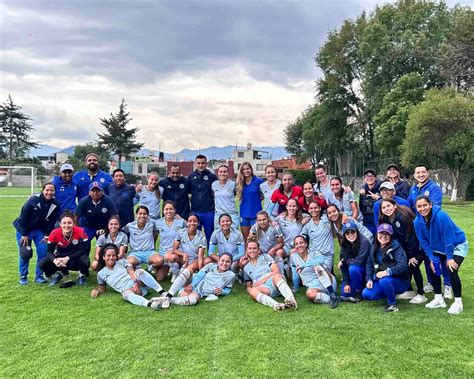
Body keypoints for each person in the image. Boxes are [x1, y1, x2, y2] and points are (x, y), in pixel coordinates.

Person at [414, 196, 468, 315]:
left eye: (425, 205)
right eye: (419, 206)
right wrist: (431, 258)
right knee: (432, 266)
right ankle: (438, 299)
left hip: (457, 244)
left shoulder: (441, 216)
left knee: (451, 269)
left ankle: (458, 302)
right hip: (438, 248)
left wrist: (449, 258)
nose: (423, 208)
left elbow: (449, 238)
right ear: (416, 208)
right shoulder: (417, 222)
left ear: (431, 205)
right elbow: (423, 241)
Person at [408, 165, 448, 296]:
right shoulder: (413, 188)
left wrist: (420, 216)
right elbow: (409, 205)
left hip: (432, 226)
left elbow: (435, 206)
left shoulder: (434, 188)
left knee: (440, 255)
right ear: (414, 175)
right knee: (426, 254)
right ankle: (431, 282)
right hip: (420, 225)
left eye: (423, 172)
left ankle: (447, 284)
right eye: (418, 173)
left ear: (427, 173)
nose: (420, 174)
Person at [91, 243, 168, 310]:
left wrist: (136, 283)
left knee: (139, 271)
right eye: (108, 255)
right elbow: (102, 288)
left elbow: (131, 272)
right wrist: (96, 291)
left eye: (113, 255)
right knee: (125, 295)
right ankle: (151, 304)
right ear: (103, 257)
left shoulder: (122, 261)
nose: (111, 257)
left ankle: (163, 293)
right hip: (129, 291)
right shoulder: (101, 274)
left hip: (138, 283)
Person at [379, 199, 426, 304]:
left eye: (388, 206)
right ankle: (409, 290)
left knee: (413, 265)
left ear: (395, 206)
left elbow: (411, 237)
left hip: (418, 246)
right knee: (405, 265)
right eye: (384, 207)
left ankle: (421, 294)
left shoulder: (403, 217)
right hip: (406, 248)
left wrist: (411, 255)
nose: (387, 209)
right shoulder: (386, 220)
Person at [13, 182, 60, 285]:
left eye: (52, 190)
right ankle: (23, 276)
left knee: (43, 252)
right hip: (24, 229)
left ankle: (39, 276)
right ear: (42, 190)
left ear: (55, 192)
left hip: (38, 230)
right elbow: (23, 217)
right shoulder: (33, 200)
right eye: (47, 190)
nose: (49, 192)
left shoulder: (56, 204)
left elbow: (52, 222)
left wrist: (47, 235)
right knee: (25, 253)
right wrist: (25, 234)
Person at [362, 224, 410, 312]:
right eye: (381, 233)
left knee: (385, 280)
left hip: (399, 281)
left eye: (387, 234)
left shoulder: (397, 247)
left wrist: (388, 272)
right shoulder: (373, 248)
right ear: (377, 234)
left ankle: (393, 305)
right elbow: (369, 264)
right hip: (380, 280)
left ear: (391, 236)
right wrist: (369, 279)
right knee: (367, 294)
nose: (383, 236)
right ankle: (390, 293)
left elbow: (403, 266)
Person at [157, 253, 236, 306]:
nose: (224, 263)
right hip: (192, 283)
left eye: (228, 262)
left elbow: (228, 289)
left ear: (231, 263)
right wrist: (191, 285)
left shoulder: (231, 275)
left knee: (193, 300)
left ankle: (169, 300)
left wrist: (222, 292)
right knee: (189, 271)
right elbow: (199, 276)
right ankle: (169, 295)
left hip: (199, 292)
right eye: (222, 260)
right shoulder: (211, 266)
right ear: (218, 261)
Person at [241, 240, 297, 311]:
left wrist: (262, 280)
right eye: (250, 248)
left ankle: (291, 300)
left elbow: (276, 271)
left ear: (258, 250)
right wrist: (250, 290)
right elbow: (248, 285)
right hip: (265, 288)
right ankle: (276, 305)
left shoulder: (265, 257)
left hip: (274, 280)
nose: (252, 250)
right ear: (247, 250)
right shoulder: (246, 268)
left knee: (277, 276)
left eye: (254, 248)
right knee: (253, 291)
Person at [39, 211, 90, 286]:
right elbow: (49, 252)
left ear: (73, 224)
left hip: (74, 258)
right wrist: (55, 260)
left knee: (85, 260)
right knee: (42, 264)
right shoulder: (54, 233)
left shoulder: (80, 231)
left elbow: (83, 250)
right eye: (64, 223)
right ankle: (57, 275)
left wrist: (68, 258)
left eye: (69, 223)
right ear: (60, 224)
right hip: (60, 258)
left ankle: (81, 275)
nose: (67, 225)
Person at [292, 235, 339, 308]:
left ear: (306, 244)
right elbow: (295, 274)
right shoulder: (294, 257)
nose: (299, 245)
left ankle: (331, 293)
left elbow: (320, 261)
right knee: (310, 294)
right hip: (313, 286)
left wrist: (304, 265)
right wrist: (295, 289)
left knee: (317, 266)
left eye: (301, 243)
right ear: (294, 246)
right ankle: (335, 298)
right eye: (296, 244)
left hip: (328, 282)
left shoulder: (314, 252)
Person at [274, 198, 308, 291]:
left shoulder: (302, 217)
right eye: (290, 206)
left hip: (298, 248)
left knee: (293, 259)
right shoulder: (281, 217)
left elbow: (311, 216)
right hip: (286, 247)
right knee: (278, 253)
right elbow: (272, 221)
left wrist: (306, 219)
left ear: (297, 207)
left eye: (294, 206)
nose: (292, 208)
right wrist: (274, 222)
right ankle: (281, 279)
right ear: (286, 207)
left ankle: (295, 285)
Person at [337, 220, 371, 302]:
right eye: (347, 233)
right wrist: (346, 282)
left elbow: (360, 261)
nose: (350, 235)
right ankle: (355, 288)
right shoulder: (344, 244)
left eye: (352, 232)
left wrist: (345, 261)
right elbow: (343, 265)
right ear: (344, 235)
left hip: (365, 271)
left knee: (353, 268)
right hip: (354, 275)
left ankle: (359, 293)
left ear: (357, 231)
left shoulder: (364, 242)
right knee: (344, 293)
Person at [123, 206, 163, 272]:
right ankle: (138, 269)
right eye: (140, 213)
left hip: (149, 252)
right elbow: (122, 234)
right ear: (136, 214)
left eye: (144, 214)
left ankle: (148, 270)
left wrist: (153, 241)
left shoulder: (152, 224)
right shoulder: (130, 226)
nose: (142, 216)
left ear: (148, 215)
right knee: (128, 263)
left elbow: (157, 230)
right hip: (135, 253)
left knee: (160, 260)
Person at [154, 201, 187, 281]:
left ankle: (175, 273)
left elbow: (191, 226)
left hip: (176, 254)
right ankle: (171, 268)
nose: (169, 211)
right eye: (166, 209)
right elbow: (154, 236)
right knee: (159, 278)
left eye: (171, 209)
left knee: (172, 257)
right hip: (163, 254)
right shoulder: (158, 223)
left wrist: (182, 218)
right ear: (163, 211)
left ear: (175, 210)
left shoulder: (181, 222)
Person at [188, 155, 217, 243]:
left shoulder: (212, 177)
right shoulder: (191, 176)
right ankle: (196, 256)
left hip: (209, 211)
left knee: (209, 236)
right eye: (199, 163)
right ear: (195, 164)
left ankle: (209, 255)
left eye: (203, 163)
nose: (201, 165)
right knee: (194, 236)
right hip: (195, 211)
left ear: (206, 163)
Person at [301, 201, 334, 272]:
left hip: (327, 255)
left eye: (315, 208)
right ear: (308, 210)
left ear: (319, 208)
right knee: (312, 275)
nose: (313, 210)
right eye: (311, 208)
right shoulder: (308, 224)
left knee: (324, 276)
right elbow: (301, 237)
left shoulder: (327, 218)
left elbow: (337, 215)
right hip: (314, 255)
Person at [236, 162, 263, 240]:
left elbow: (264, 195)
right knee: (246, 239)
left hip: (256, 214)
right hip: (244, 214)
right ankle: (246, 252)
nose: (246, 171)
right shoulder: (240, 182)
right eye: (243, 169)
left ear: (251, 169)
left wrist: (257, 199)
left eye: (247, 168)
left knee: (255, 238)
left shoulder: (258, 181)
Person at [359, 168, 382, 235]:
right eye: (367, 176)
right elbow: (360, 206)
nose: (369, 178)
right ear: (364, 178)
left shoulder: (381, 188)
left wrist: (378, 198)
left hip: (379, 219)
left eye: (371, 176)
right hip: (367, 220)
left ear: (375, 178)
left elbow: (387, 201)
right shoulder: (363, 190)